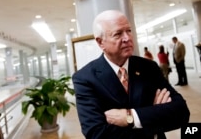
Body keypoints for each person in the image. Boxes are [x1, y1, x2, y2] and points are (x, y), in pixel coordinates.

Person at [72, 10, 190, 139]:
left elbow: (181, 112)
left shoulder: (149, 67)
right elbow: (96, 133)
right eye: (118, 34)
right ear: (101, 42)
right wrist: (153, 117)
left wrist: (131, 117)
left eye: (128, 31)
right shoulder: (85, 78)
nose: (127, 38)